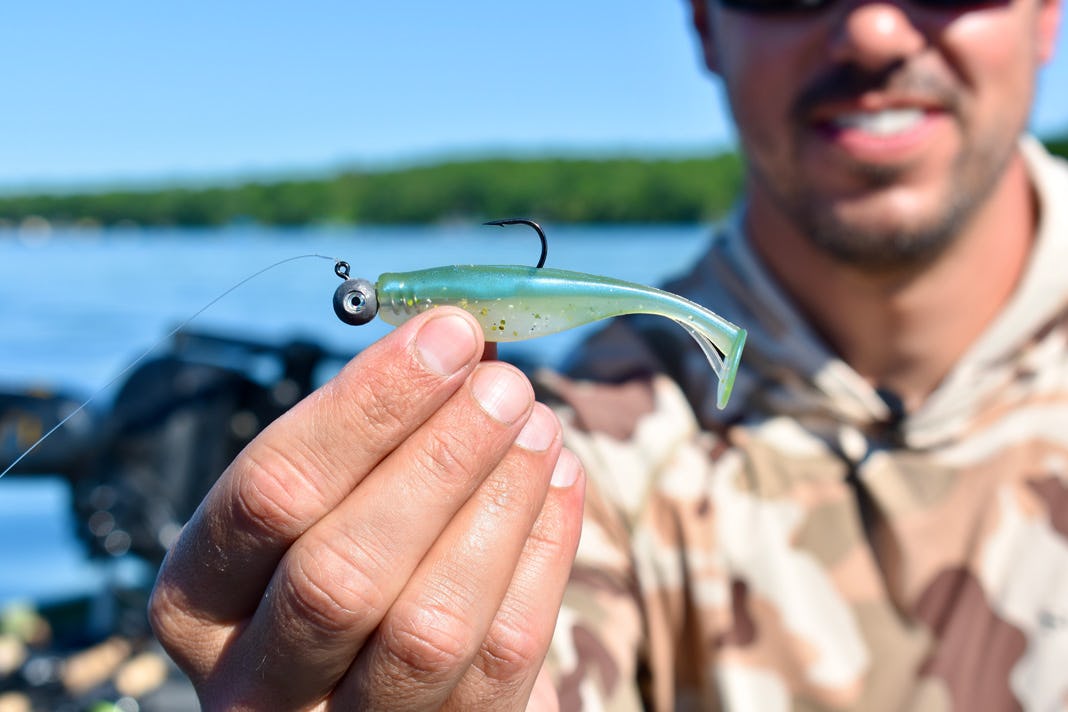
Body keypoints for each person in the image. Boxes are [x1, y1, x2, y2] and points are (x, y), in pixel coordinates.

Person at [148, 0, 1067, 707]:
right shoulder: (564, 443)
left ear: (1048, 15)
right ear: (703, 24)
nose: (870, 29)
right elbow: (544, 665)